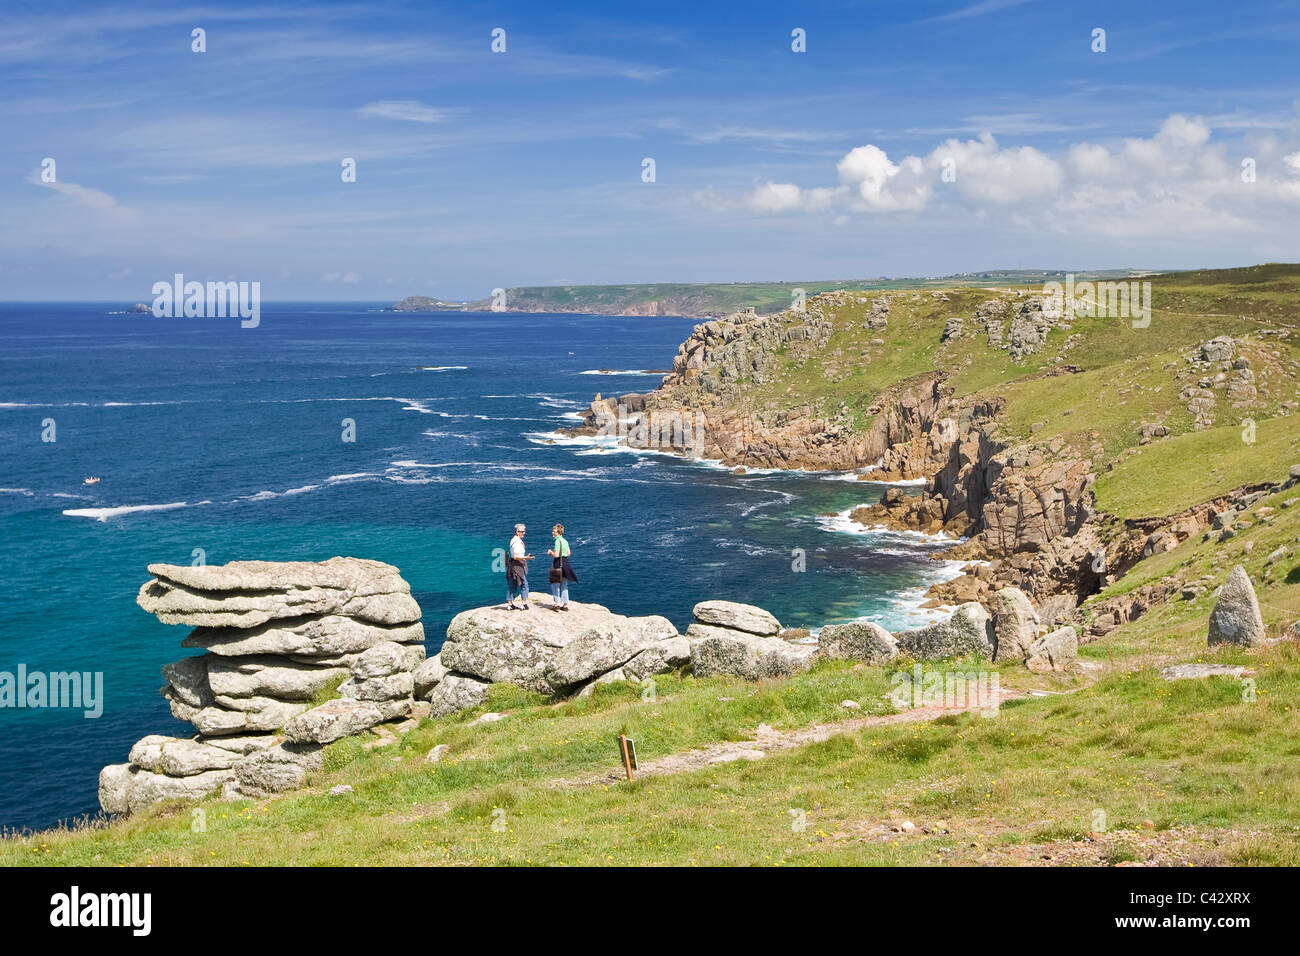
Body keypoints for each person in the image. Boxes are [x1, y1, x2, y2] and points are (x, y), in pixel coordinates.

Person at [546, 523, 577, 611]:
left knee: (555, 584)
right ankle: (565, 604)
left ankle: (557, 604)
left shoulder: (557, 541)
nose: (552, 533)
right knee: (564, 585)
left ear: (559, 532)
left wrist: (550, 552)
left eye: (554, 531)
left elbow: (556, 555)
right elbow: (568, 553)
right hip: (565, 564)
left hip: (558, 563)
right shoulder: (565, 541)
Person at [506, 523, 533, 610]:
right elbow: (515, 556)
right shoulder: (517, 542)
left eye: (524, 531)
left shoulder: (514, 540)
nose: (524, 533)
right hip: (517, 565)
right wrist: (526, 557)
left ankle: (510, 604)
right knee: (524, 584)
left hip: (513, 565)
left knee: (512, 584)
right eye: (522, 531)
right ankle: (523, 604)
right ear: (517, 532)